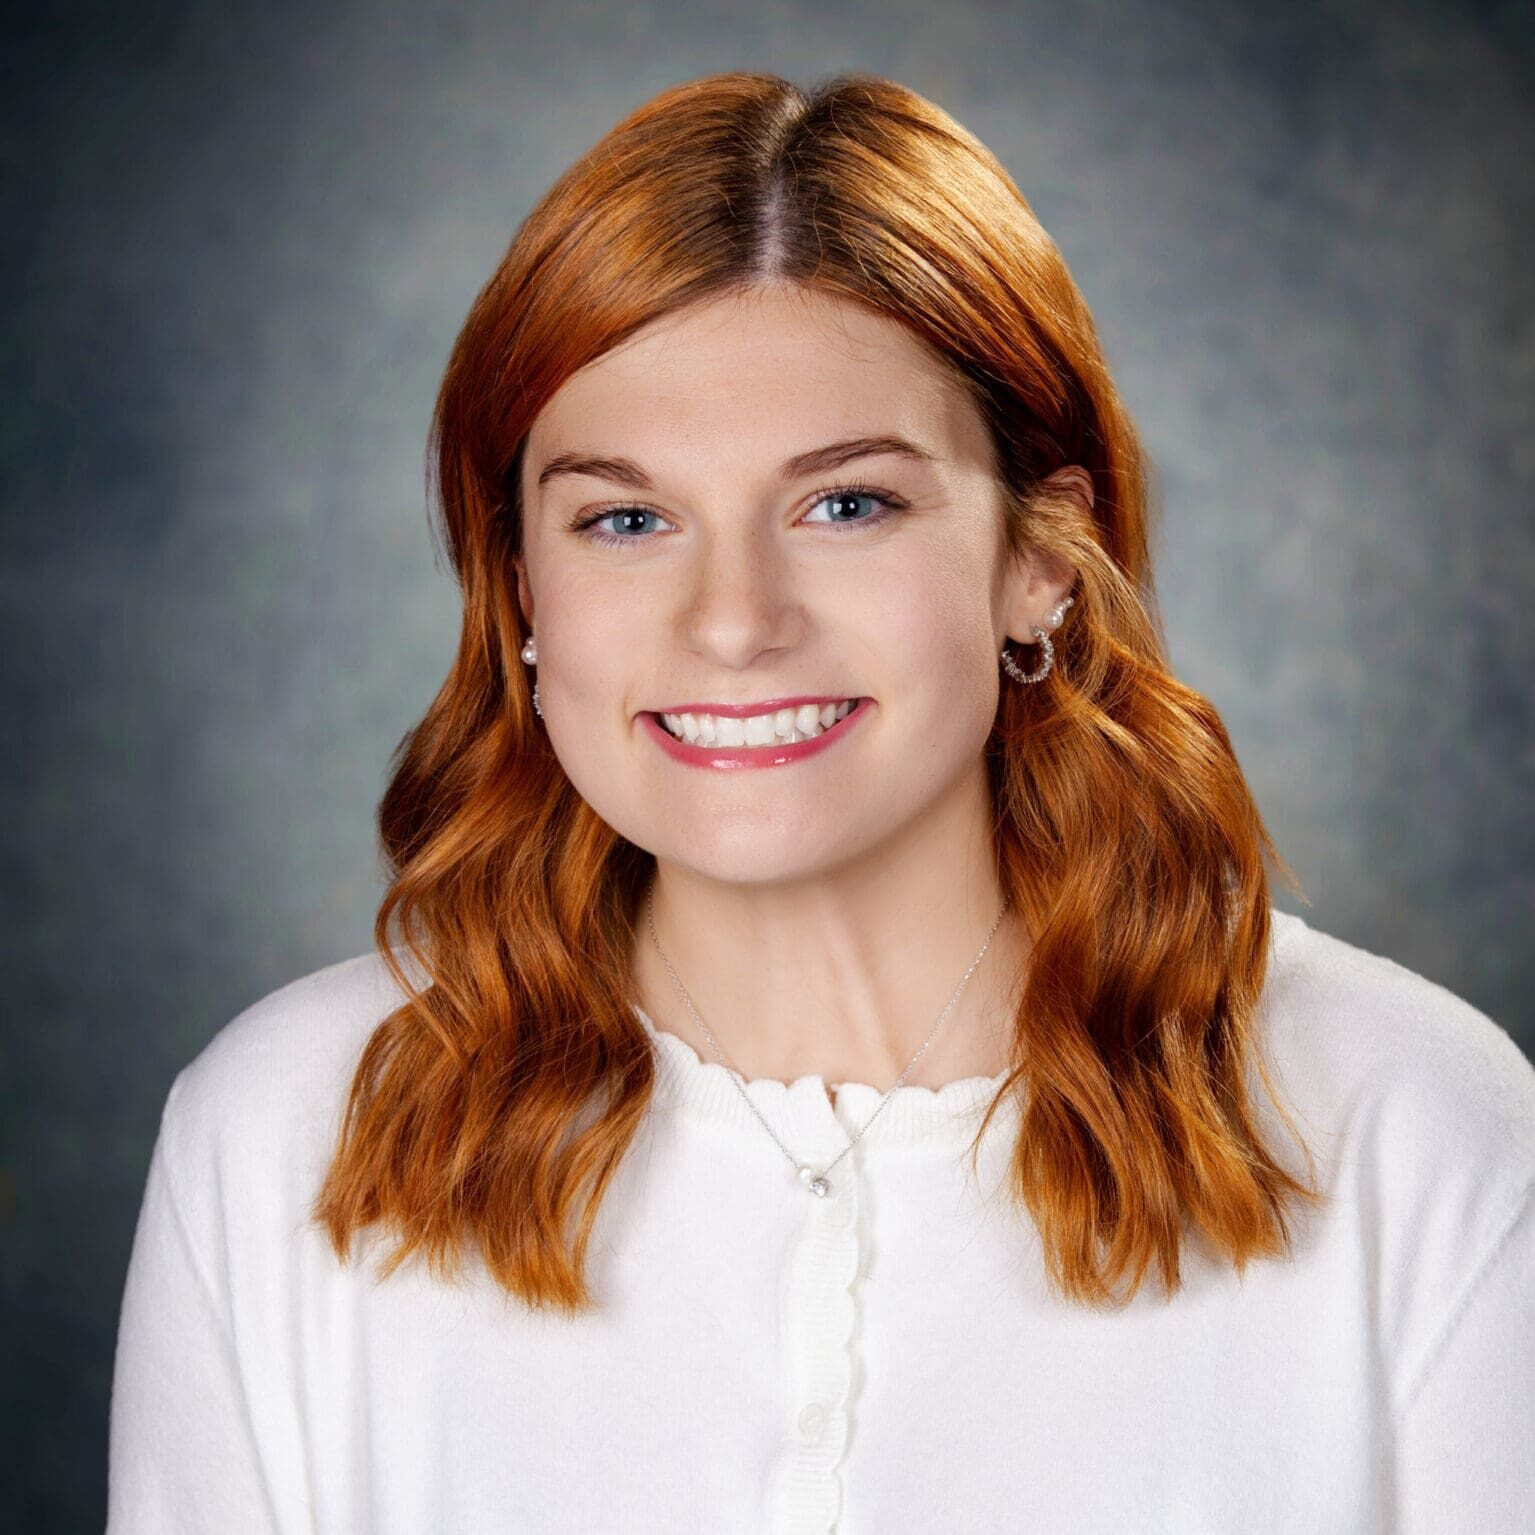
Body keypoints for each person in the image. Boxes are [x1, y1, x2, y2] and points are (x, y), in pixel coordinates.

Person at [107, 70, 1535, 1533]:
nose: (733, 622)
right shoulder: (282, 1136)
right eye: (627, 518)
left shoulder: (1412, 1125)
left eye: (845, 504)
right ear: (522, 591)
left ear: (1041, 553)